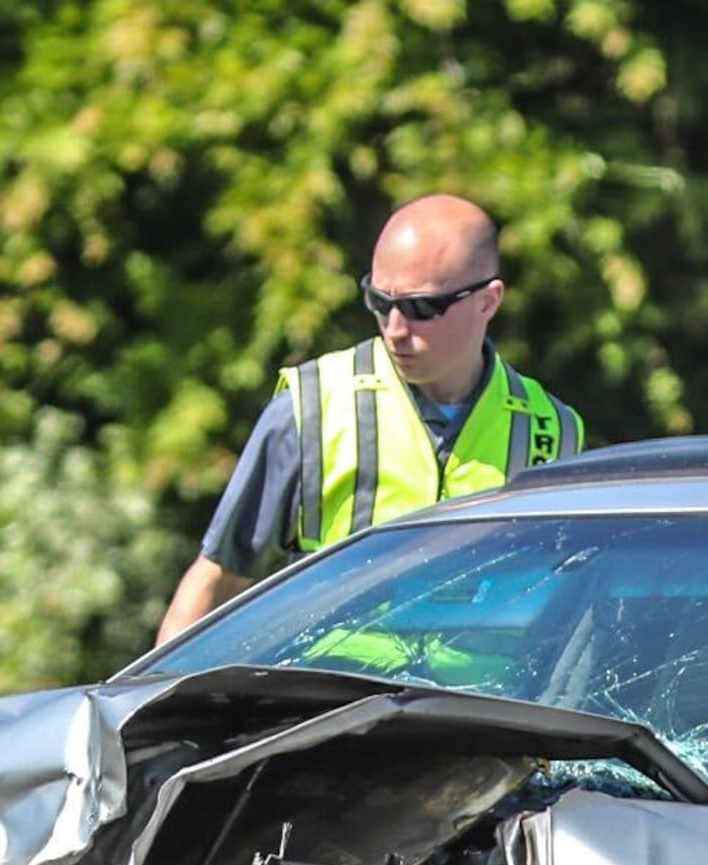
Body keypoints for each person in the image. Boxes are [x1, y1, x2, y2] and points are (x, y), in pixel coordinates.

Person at [156, 195, 585, 642]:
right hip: (331, 685)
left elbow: (571, 604)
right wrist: (152, 686)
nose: (394, 328)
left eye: (421, 308)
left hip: (485, 688)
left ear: (488, 301)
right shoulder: (312, 406)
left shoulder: (553, 430)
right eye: (379, 301)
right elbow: (217, 576)